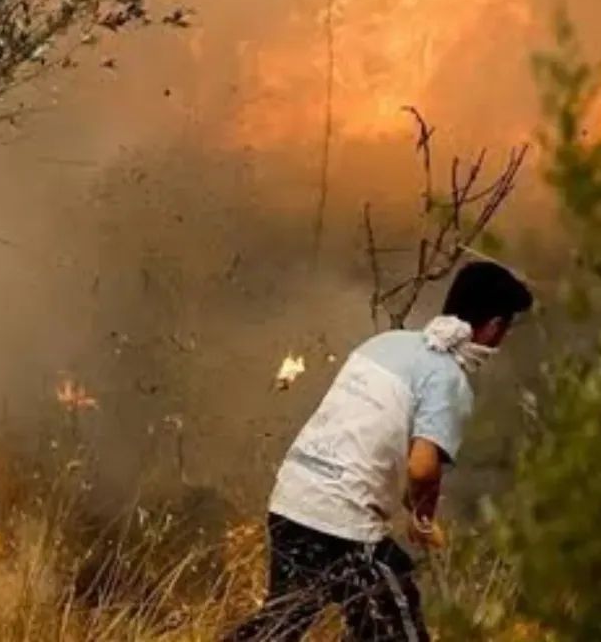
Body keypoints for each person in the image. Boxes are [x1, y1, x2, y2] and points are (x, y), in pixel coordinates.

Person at [222, 260, 533, 642]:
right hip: (343, 523)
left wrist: (408, 500)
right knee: (395, 625)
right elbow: (422, 469)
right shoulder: (449, 379)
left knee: (282, 621)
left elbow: (372, 438)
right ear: (494, 326)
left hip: (293, 499)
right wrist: (422, 516)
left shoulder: (386, 343)